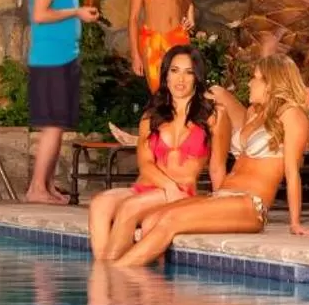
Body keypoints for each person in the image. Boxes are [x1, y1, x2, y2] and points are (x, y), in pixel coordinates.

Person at [116, 54, 309, 266]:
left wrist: (295, 223)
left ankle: (115, 275)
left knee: (170, 220)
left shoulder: (293, 116)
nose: (250, 83)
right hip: (223, 196)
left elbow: (292, 172)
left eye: (255, 78)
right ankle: (158, 288)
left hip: (250, 204)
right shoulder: (254, 113)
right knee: (150, 221)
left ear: (271, 83)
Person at [88, 45, 214, 260]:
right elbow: (145, 163)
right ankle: (102, 274)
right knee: (99, 203)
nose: (180, 79)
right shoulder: (151, 116)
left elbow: (218, 166)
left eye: (188, 72)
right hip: (152, 188)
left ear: (197, 77)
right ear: (165, 75)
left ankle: (108, 276)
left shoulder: (209, 116)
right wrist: (168, 186)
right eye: (174, 71)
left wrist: (220, 203)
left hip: (183, 191)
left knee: (129, 208)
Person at [25, 0, 102, 205]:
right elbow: (40, 14)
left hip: (63, 57)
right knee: (53, 125)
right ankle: (36, 189)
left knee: (58, 124)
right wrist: (77, 12)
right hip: (50, 59)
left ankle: (47, 185)